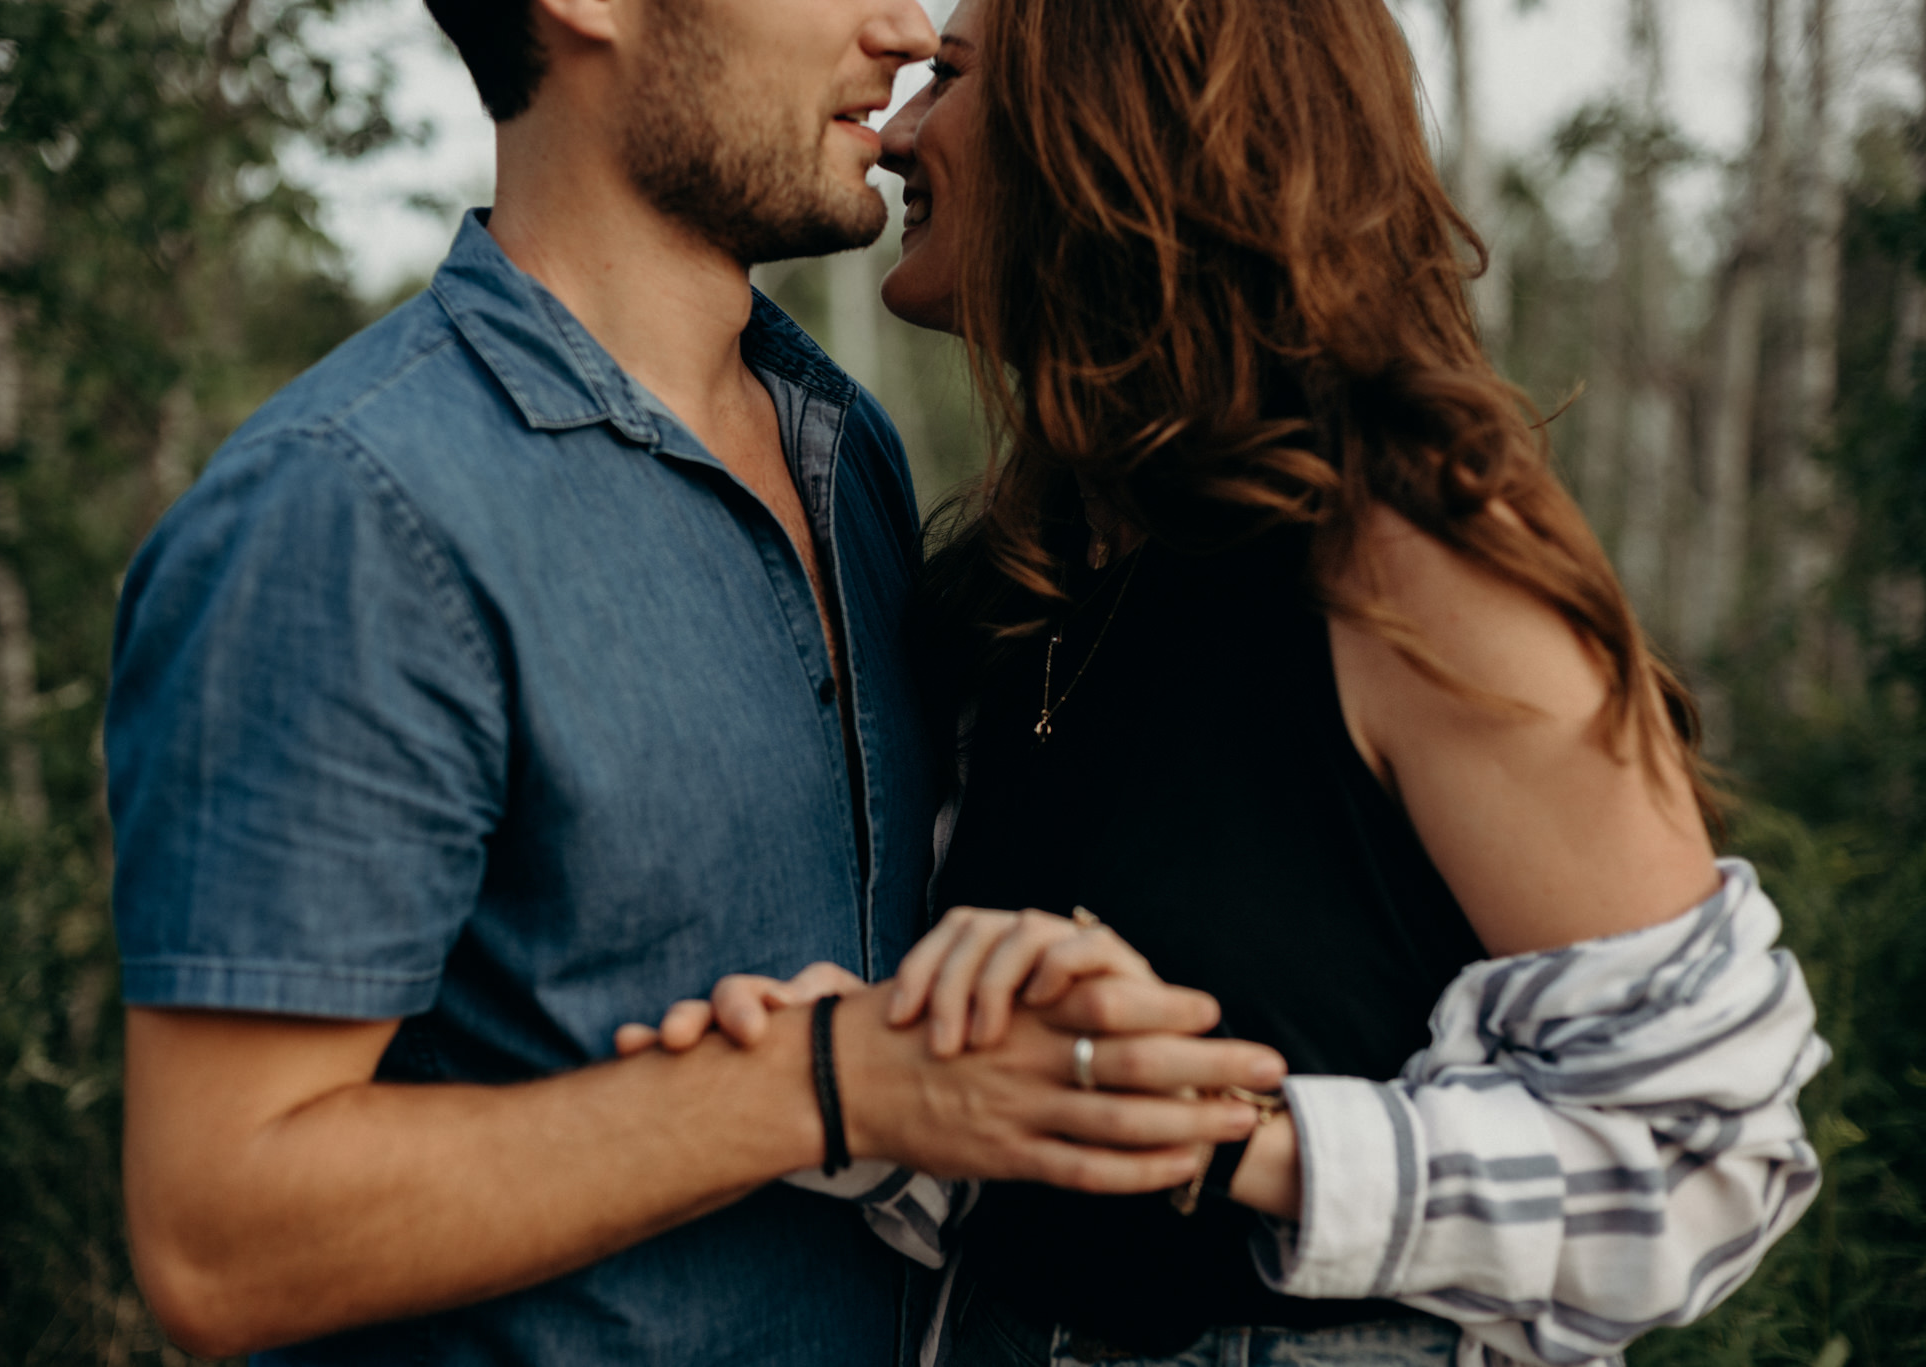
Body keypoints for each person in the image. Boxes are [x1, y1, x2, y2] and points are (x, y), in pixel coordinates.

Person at [103, 0, 1293, 1362]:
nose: (903, 29)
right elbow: (222, 1241)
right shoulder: (353, 511)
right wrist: (835, 1084)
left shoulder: (850, 457)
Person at [640, 1, 1829, 1364]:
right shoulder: (1018, 589)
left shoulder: (1409, 566)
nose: (899, 135)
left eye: (950, 83)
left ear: (1111, 121)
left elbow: (1705, 1164)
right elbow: (1024, 1146)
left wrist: (1229, 1136)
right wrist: (841, 1077)